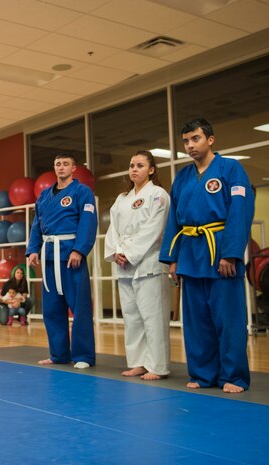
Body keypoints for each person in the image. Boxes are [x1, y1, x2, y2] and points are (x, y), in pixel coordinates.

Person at [159, 118, 255, 393]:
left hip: (220, 252)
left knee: (228, 320)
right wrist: (172, 258)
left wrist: (231, 253)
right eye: (186, 141)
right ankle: (203, 374)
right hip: (190, 254)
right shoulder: (183, 177)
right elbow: (173, 221)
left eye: (195, 139)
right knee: (196, 321)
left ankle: (233, 376)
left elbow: (240, 211)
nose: (190, 146)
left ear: (210, 140)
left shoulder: (231, 169)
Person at [104, 150, 171, 381]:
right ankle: (137, 362)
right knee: (132, 317)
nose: (134, 169)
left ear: (151, 170)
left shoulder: (158, 195)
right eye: (131, 165)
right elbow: (112, 228)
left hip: (149, 262)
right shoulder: (122, 199)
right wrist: (116, 252)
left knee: (153, 317)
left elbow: (155, 229)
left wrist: (129, 253)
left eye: (140, 165)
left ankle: (158, 366)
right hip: (125, 266)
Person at [27, 153, 98, 369]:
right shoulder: (44, 197)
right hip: (49, 257)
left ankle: (83, 355)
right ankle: (58, 354)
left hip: (71, 256)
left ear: (74, 168)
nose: (61, 167)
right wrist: (33, 250)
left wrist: (79, 250)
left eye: (65, 164)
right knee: (52, 309)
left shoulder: (82, 192)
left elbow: (88, 222)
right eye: (57, 164)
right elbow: (36, 225)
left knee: (80, 307)